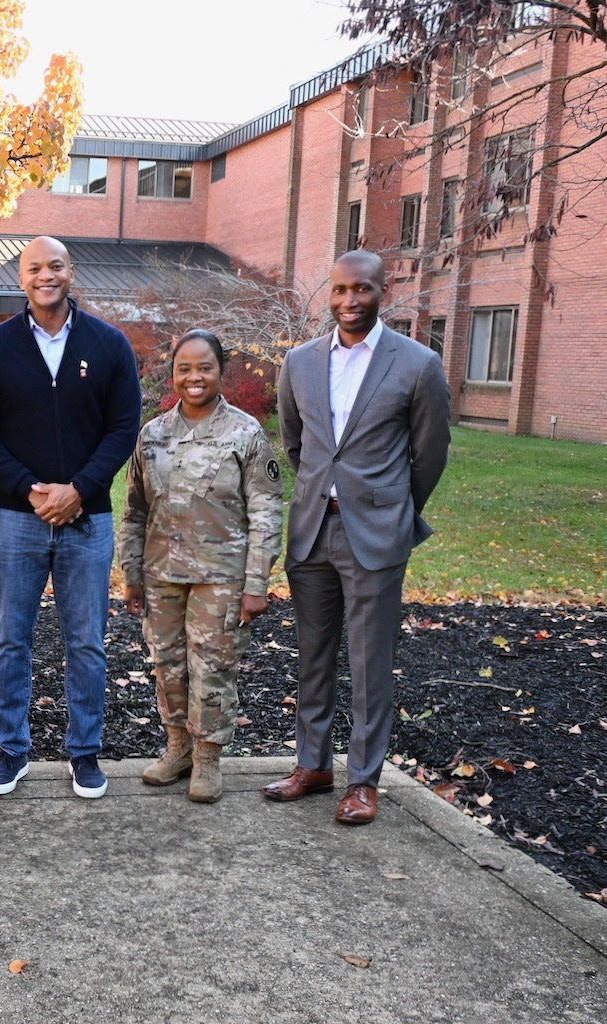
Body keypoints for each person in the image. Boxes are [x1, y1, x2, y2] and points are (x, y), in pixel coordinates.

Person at [266, 249, 450, 825]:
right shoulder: (298, 362)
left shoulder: (418, 364)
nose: (350, 301)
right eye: (341, 290)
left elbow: (430, 455)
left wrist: (393, 509)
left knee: (370, 662)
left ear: (382, 292)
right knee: (313, 657)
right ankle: (312, 764)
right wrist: (323, 491)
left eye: (363, 290)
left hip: (375, 533)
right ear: (330, 294)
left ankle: (363, 779)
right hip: (312, 530)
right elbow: (295, 444)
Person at [0, 235, 141, 799]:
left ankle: (84, 752)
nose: (46, 275)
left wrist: (80, 490)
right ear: (22, 275)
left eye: (55, 266)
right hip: (17, 517)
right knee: (11, 639)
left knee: (86, 641)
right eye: (35, 267)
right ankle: (11, 751)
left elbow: (122, 428)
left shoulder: (109, 345)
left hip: (89, 520)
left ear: (71, 271)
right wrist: (26, 487)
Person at [119, 329, 282, 802]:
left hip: (222, 576)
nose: (194, 377)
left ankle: (208, 759)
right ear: (173, 374)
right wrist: (131, 575)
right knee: (168, 666)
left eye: (204, 367)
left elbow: (267, 511)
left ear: (220, 371)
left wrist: (257, 583)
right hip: (162, 573)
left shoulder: (245, 433)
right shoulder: (151, 436)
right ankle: (178, 750)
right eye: (184, 368)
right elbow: (134, 511)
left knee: (212, 668)